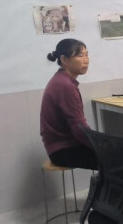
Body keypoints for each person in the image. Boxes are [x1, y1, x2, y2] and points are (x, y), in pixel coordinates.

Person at [40, 38, 97, 170]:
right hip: (62, 150)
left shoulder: (61, 80)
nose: (86, 60)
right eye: (80, 56)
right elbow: (79, 128)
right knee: (119, 159)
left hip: (63, 146)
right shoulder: (65, 86)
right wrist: (101, 146)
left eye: (87, 55)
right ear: (64, 60)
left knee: (117, 154)